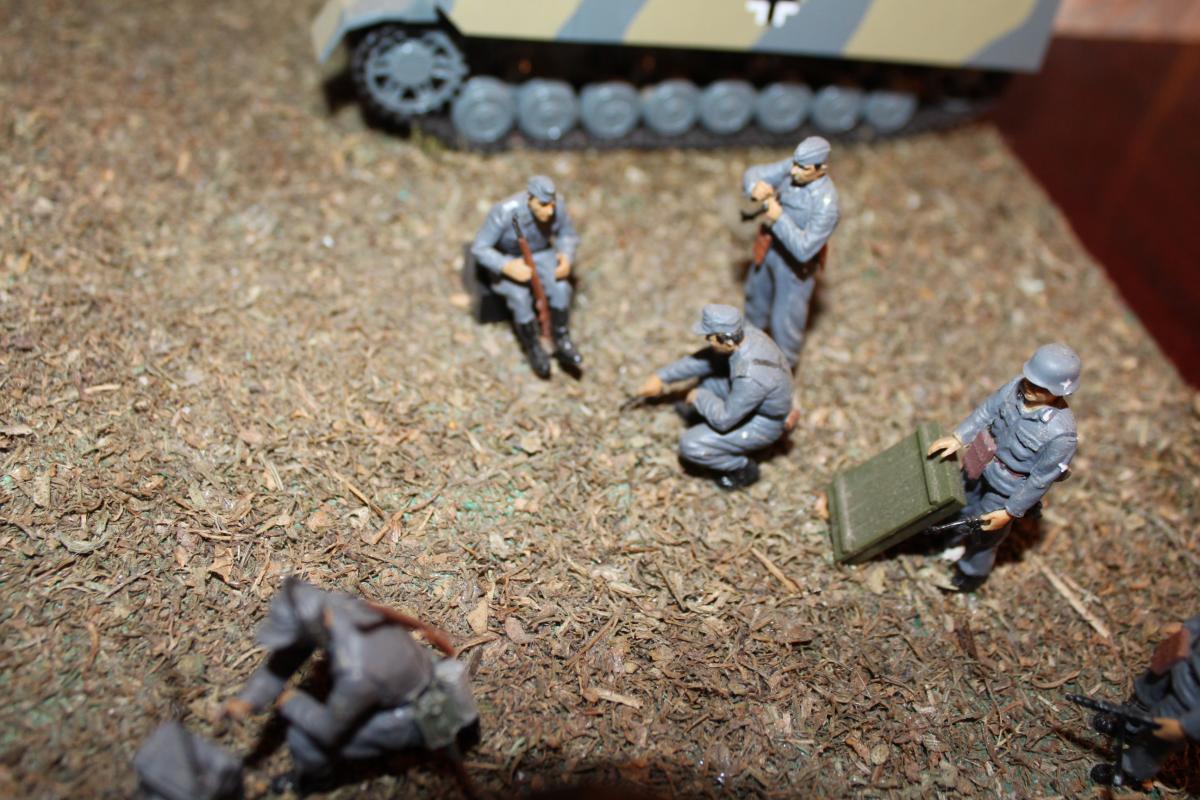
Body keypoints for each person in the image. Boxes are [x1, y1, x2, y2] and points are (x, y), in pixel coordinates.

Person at [222, 578, 478, 792]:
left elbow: (329, 730)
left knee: (305, 740)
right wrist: (250, 698)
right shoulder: (333, 606)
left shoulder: (357, 672)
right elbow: (287, 657)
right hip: (406, 676)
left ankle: (314, 783)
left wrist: (290, 702)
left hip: (415, 715)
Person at [927, 344, 1081, 590]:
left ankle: (971, 573)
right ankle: (950, 541)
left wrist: (1010, 511)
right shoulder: (1014, 389)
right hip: (981, 458)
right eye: (1031, 380)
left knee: (984, 532)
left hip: (1008, 486)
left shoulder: (1060, 434)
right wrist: (959, 437)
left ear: (1058, 391)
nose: (1031, 389)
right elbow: (986, 412)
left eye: (1042, 388)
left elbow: (1040, 479)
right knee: (961, 503)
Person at [637, 304, 792, 490]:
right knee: (709, 381)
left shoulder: (749, 376)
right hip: (752, 399)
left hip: (762, 422)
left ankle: (741, 468)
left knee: (691, 445)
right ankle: (699, 415)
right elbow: (704, 361)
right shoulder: (745, 335)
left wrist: (699, 397)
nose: (707, 342)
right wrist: (662, 377)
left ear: (724, 340)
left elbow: (724, 420)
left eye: (709, 337)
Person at [741, 135, 839, 369]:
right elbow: (754, 172)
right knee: (755, 302)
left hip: (795, 270)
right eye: (795, 164)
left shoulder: (826, 205)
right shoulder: (793, 167)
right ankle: (745, 356)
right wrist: (755, 186)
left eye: (803, 168)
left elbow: (804, 250)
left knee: (785, 323)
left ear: (820, 169)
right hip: (769, 250)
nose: (794, 171)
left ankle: (783, 374)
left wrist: (779, 218)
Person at [471, 175, 581, 378]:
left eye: (551, 204)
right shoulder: (504, 213)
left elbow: (568, 235)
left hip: (542, 253)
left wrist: (566, 256)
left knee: (561, 288)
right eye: (543, 205)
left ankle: (561, 337)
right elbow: (480, 248)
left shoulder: (558, 206)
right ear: (530, 199)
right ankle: (533, 346)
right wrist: (506, 266)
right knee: (519, 297)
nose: (550, 211)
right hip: (509, 258)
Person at [1089, 616, 1200, 787]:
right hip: (1180, 662)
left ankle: (1129, 770)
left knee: (1155, 742)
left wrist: (1184, 726)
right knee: (1146, 694)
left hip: (1189, 702)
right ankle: (1129, 725)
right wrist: (1187, 629)